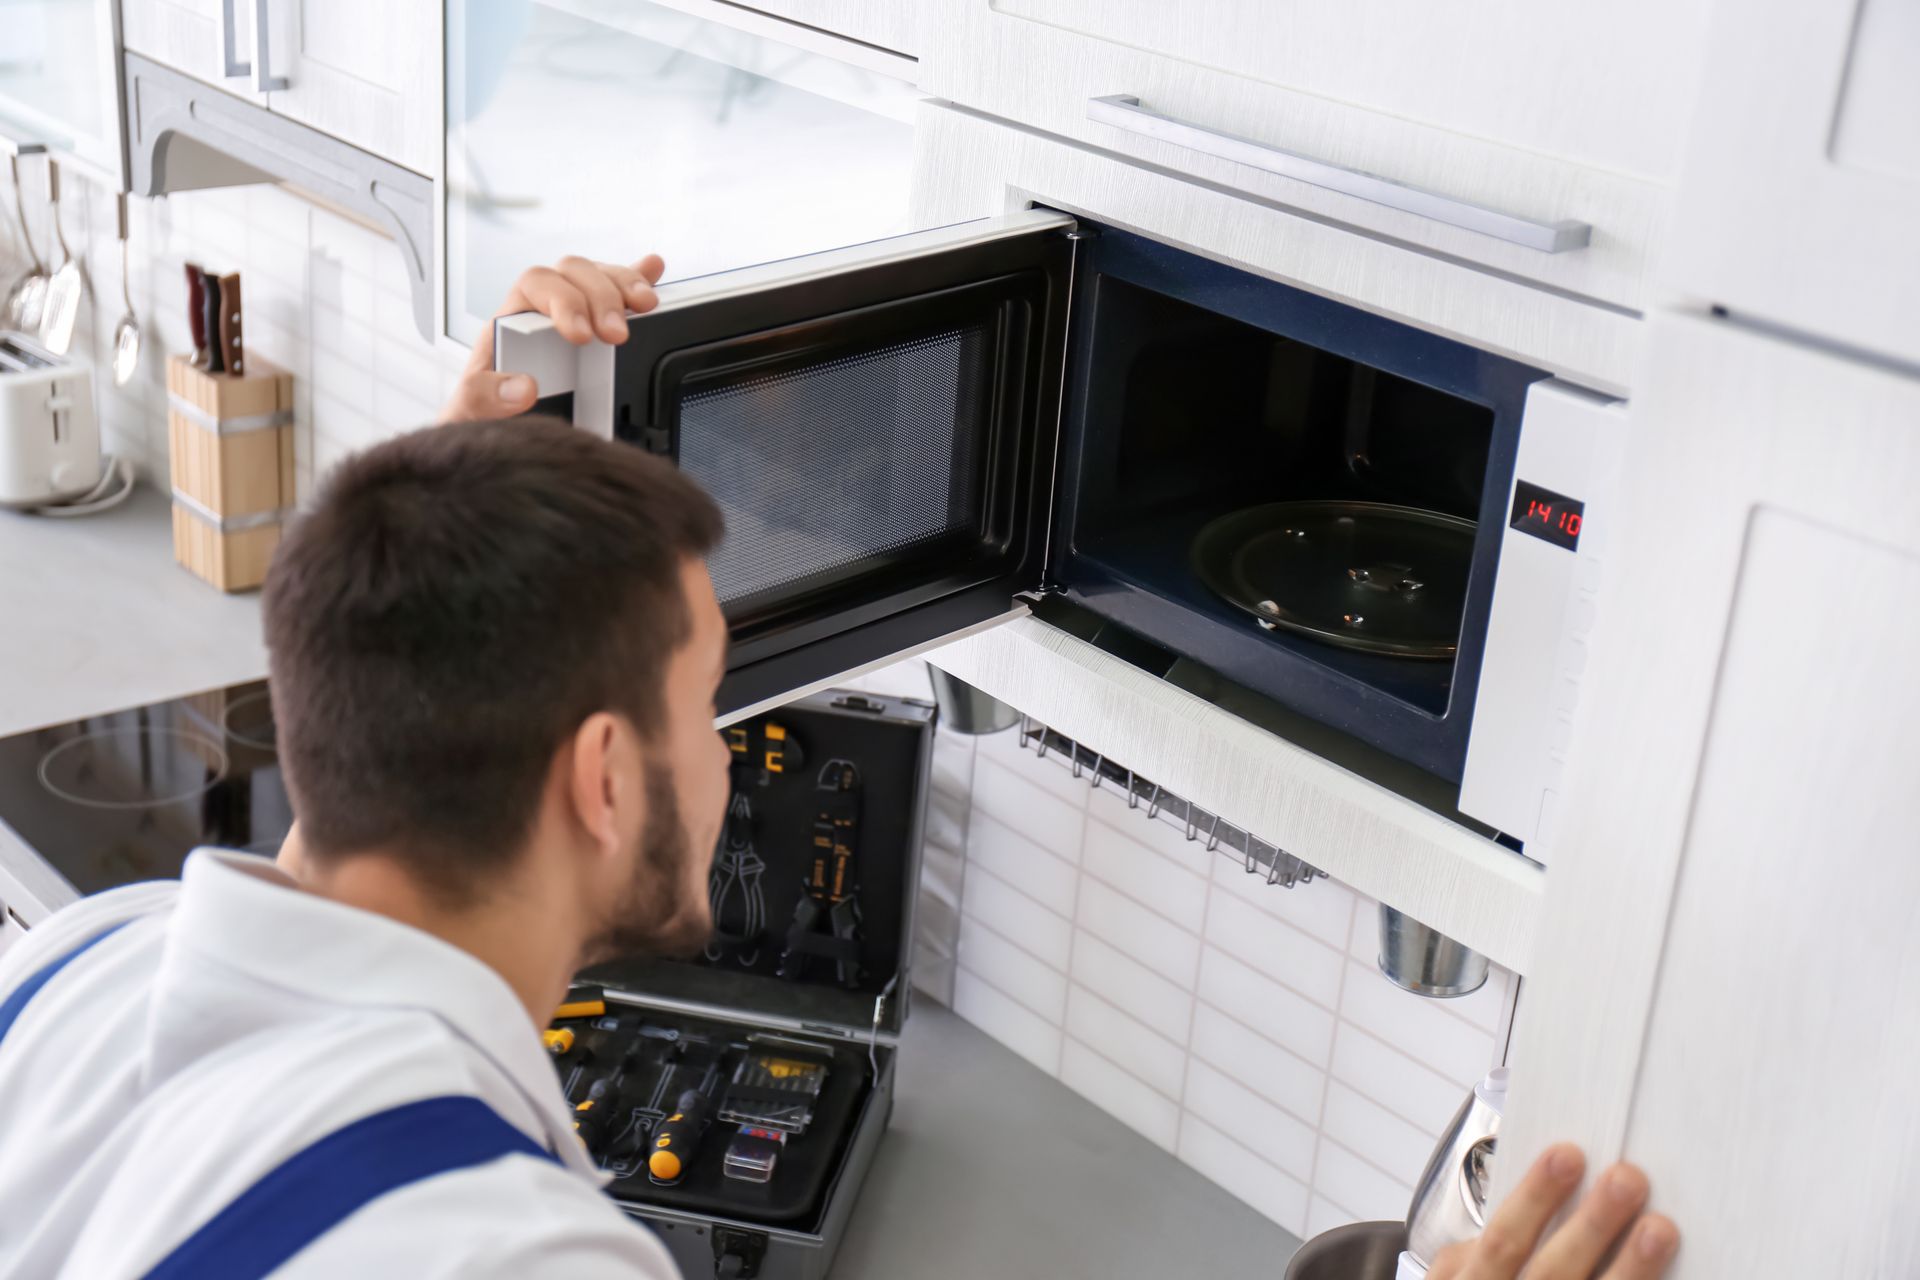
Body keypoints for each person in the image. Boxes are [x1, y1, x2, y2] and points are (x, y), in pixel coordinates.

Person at [0, 258, 1676, 1279]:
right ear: (603, 778)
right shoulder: (496, 1249)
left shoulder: (65, 980)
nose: (728, 764)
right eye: (709, 705)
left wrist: (486, 507)